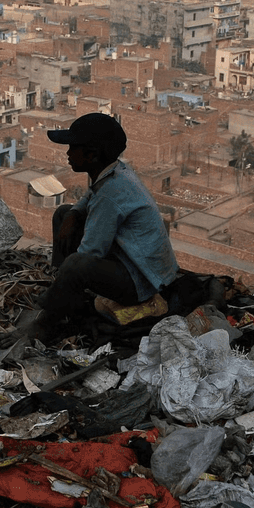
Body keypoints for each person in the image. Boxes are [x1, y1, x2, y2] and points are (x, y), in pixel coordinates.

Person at [18, 112, 179, 341]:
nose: (67, 153)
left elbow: (91, 253)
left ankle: (47, 322)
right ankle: (63, 286)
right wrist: (73, 214)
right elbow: (90, 195)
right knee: (64, 213)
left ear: (92, 155)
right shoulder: (114, 171)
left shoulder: (110, 196)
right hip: (133, 263)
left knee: (76, 265)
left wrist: (72, 272)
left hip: (142, 282)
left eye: (73, 148)